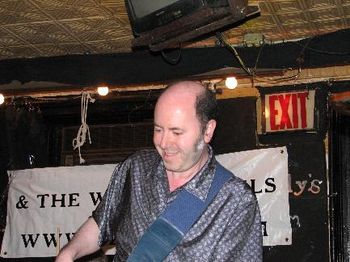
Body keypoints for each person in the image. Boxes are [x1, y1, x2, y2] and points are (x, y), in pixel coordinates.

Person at [55, 81, 263, 261]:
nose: (164, 142)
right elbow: (102, 222)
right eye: (158, 129)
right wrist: (68, 253)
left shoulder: (236, 201)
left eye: (176, 132)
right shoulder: (136, 168)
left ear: (207, 130)